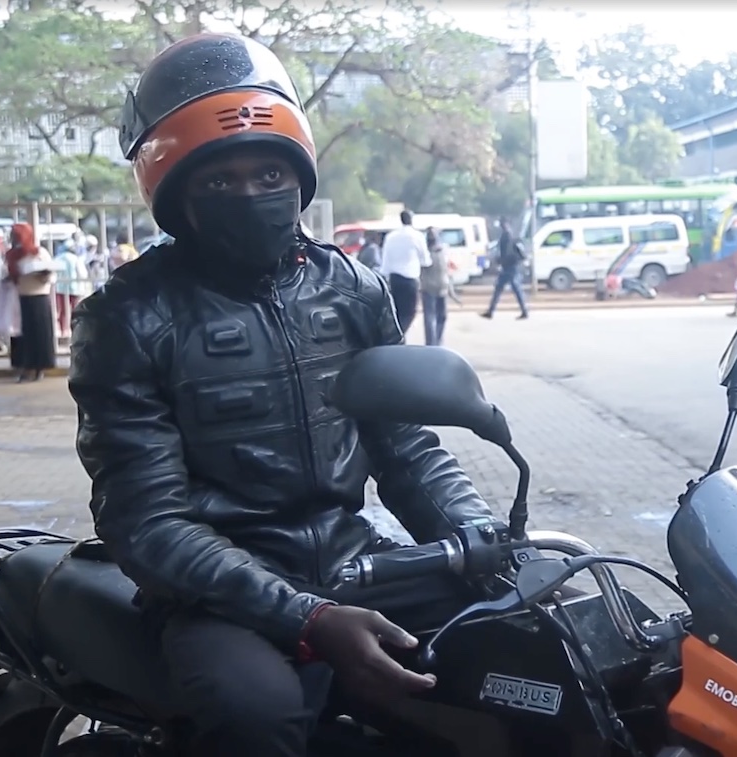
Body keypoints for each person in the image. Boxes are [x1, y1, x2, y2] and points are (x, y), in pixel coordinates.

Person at [67, 33, 494, 757]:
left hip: (355, 559)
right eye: (218, 182)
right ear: (175, 198)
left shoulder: (353, 288)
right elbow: (147, 521)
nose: (251, 195)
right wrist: (308, 616)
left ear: (299, 177)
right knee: (256, 713)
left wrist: (480, 532)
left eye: (269, 174)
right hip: (217, 591)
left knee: (537, 640)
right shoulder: (129, 317)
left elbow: (408, 447)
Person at [5, 223, 57, 382]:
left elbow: (51, 275)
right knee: (22, 336)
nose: (16, 239)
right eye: (13, 236)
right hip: (21, 297)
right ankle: (24, 367)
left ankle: (39, 367)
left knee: (39, 334)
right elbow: (8, 273)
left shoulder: (40, 253)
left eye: (18, 236)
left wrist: (44, 275)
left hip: (39, 297)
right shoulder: (11, 255)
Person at [379, 210, 429, 332]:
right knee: (409, 313)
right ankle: (400, 336)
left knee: (397, 311)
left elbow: (385, 260)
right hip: (410, 279)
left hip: (394, 279)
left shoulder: (391, 237)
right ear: (411, 219)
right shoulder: (417, 236)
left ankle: (397, 334)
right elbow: (426, 260)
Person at [480, 216, 529, 320]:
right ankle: (491, 311)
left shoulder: (507, 235)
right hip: (509, 266)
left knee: (512, 289)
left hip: (509, 266)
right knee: (506, 288)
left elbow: (506, 252)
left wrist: (498, 261)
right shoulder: (509, 234)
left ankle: (524, 311)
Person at [419, 227, 450, 346]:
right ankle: (432, 343)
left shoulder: (442, 251)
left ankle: (437, 341)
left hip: (442, 287)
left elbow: (446, 271)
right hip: (430, 287)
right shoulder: (425, 253)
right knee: (430, 317)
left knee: (441, 316)